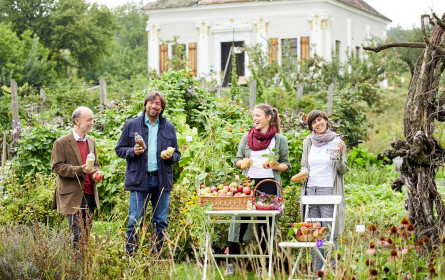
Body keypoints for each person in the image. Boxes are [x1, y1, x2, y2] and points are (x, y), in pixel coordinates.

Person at [225, 104, 290, 276]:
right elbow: (237, 161)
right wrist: (243, 163)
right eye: (253, 115)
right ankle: (232, 261)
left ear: (269, 117)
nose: (254, 118)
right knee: (238, 221)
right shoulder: (246, 138)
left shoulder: (280, 140)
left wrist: (276, 165)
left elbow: (286, 165)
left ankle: (263, 265)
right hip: (248, 184)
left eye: (258, 115)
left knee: (265, 224)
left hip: (269, 184)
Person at [115, 90, 181, 257]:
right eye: (151, 102)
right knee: (135, 220)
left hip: (161, 180)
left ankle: (155, 257)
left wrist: (170, 156)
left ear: (162, 107)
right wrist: (132, 151)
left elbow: (177, 155)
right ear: (145, 105)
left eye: (157, 103)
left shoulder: (169, 127)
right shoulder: (132, 124)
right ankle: (131, 257)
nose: (154, 106)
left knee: (160, 222)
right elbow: (119, 149)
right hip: (139, 180)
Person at [295, 109, 347, 273]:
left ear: (326, 121)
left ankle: (332, 269)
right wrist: (303, 173)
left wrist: (338, 155)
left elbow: (342, 170)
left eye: (320, 120)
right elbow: (305, 164)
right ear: (311, 126)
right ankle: (318, 270)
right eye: (314, 122)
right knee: (314, 232)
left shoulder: (337, 142)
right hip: (311, 190)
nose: (318, 124)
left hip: (328, 190)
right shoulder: (308, 142)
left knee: (330, 231)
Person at [51, 106, 102, 251]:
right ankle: (77, 269)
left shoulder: (91, 142)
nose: (92, 122)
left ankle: (84, 267)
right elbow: (57, 167)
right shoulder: (61, 143)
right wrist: (80, 170)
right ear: (77, 121)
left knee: (86, 233)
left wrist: (96, 173)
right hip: (73, 196)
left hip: (89, 194)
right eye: (89, 120)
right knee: (76, 235)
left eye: (92, 119)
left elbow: (95, 165)